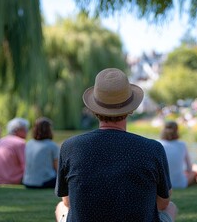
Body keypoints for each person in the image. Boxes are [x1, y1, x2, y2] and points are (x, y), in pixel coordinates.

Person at [55, 68, 177, 222]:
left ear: (94, 109)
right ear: (131, 109)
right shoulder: (153, 149)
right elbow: (163, 202)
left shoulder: (70, 147)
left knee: (61, 208)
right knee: (171, 207)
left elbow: (67, 201)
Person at [23, 117, 59, 189]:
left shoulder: (29, 144)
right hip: (43, 182)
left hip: (27, 182)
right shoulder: (52, 145)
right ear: (49, 130)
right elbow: (57, 168)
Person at [159, 121, 195, 188]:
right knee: (193, 173)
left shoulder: (157, 144)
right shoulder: (182, 145)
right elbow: (189, 168)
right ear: (177, 131)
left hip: (161, 185)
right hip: (180, 184)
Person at [0, 118, 28, 185]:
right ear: (17, 130)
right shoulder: (21, 143)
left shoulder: (0, 141)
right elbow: (26, 165)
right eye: (24, 129)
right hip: (15, 179)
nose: (27, 131)